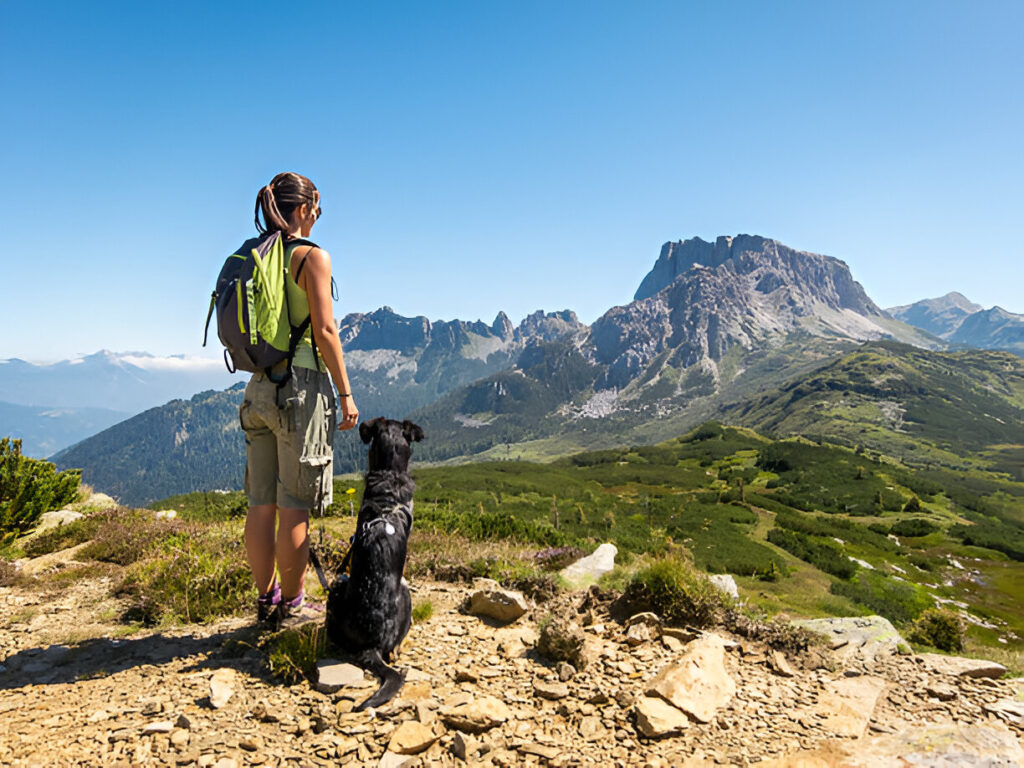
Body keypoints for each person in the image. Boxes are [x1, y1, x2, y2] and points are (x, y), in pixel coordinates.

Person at [239, 171, 359, 625]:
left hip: (258, 388)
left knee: (260, 504)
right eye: (317, 209)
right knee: (294, 504)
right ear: (306, 208)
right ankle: (293, 607)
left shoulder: (259, 255)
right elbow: (325, 331)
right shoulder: (312, 257)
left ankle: (267, 598)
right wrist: (345, 394)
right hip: (301, 390)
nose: (318, 217)